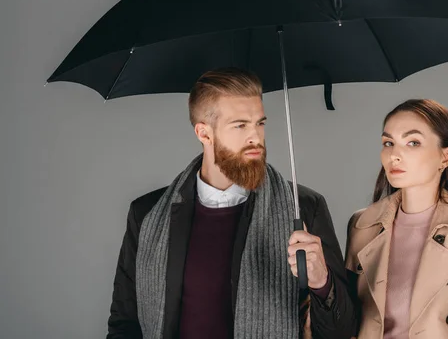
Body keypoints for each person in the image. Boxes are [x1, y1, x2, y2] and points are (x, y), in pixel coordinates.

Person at [107, 67, 356, 339]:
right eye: (240, 125)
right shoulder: (147, 214)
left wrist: (322, 283)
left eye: (260, 123)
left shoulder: (304, 206)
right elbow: (124, 322)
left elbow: (342, 332)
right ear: (204, 133)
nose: (256, 138)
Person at [345, 99, 448, 339]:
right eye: (388, 143)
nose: (395, 154)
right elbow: (344, 319)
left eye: (413, 143)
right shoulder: (361, 227)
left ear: (446, 157)